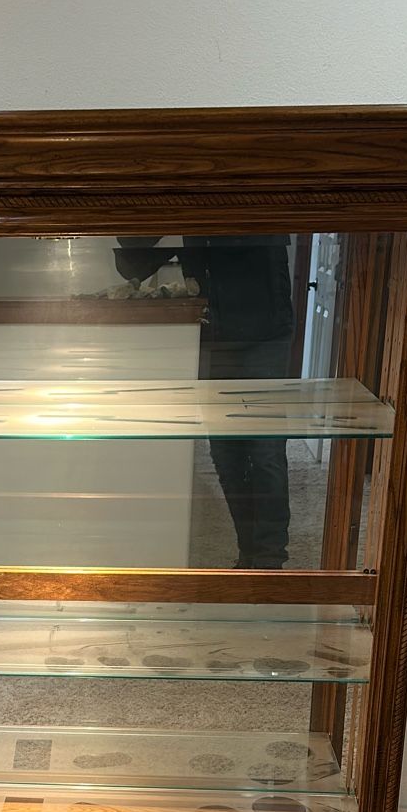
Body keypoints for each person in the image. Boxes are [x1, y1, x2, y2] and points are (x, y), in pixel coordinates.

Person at [115, 235, 294, 568]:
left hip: (264, 326)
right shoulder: (187, 202)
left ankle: (270, 560)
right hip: (210, 331)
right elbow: (133, 264)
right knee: (225, 452)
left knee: (265, 446)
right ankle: (248, 551)